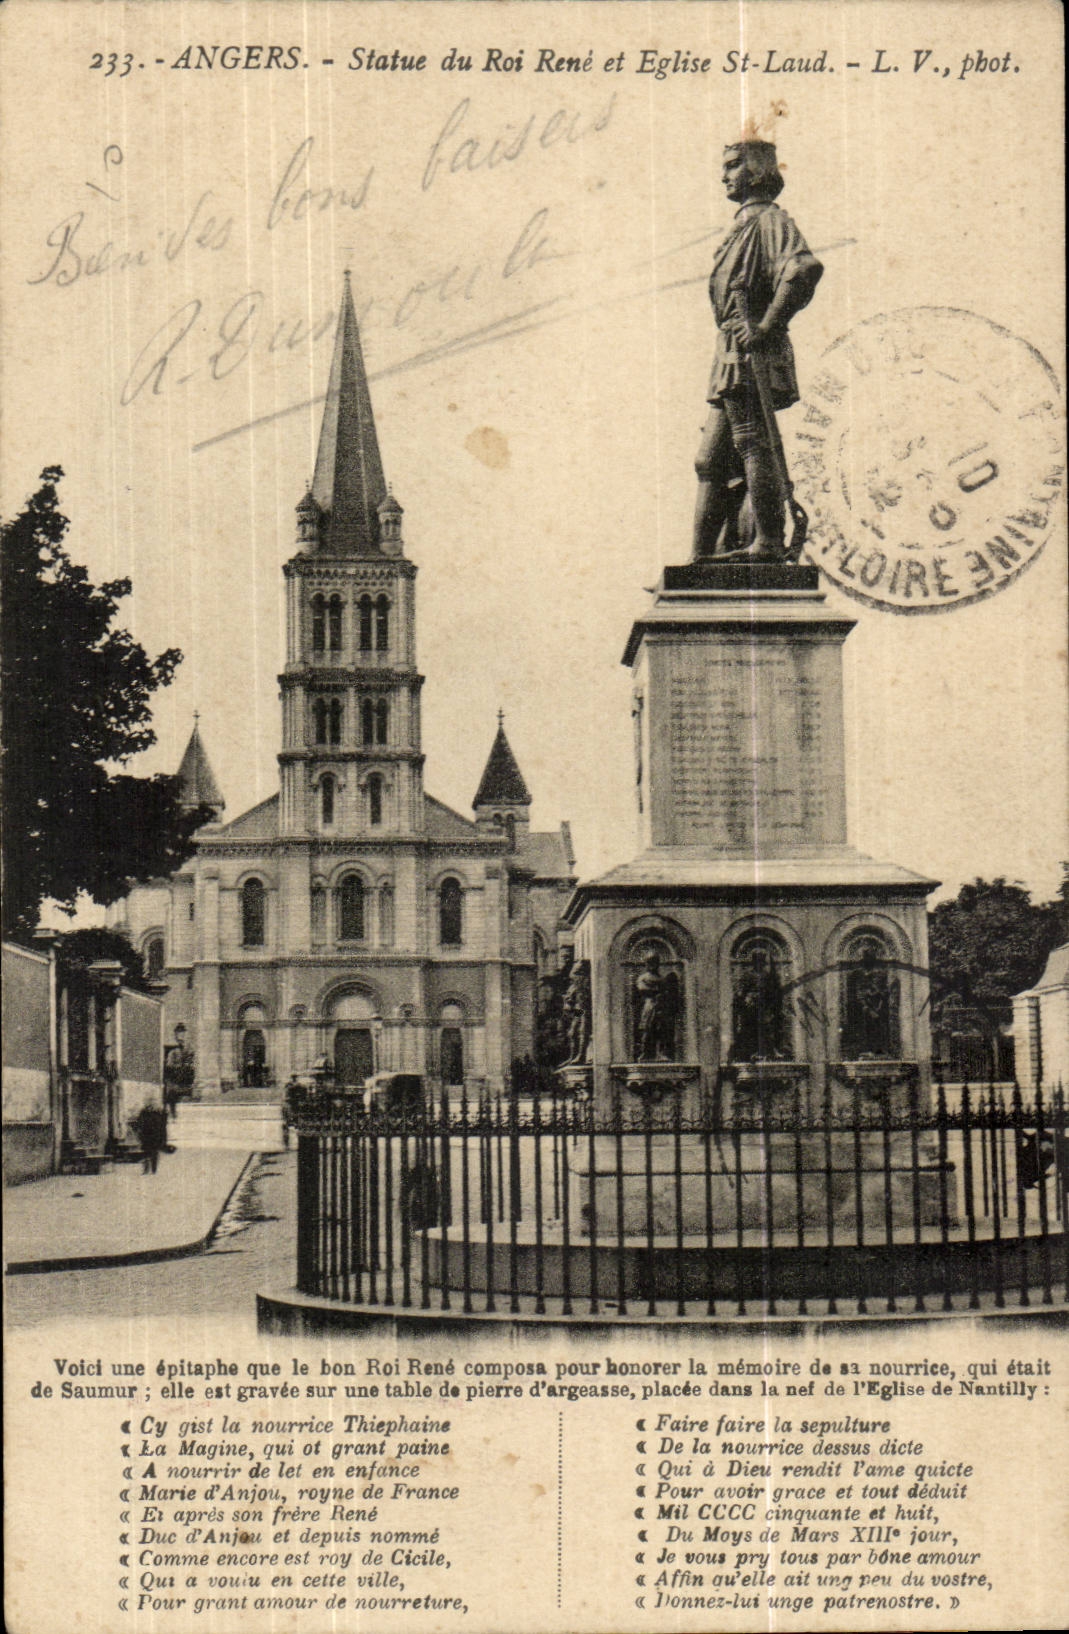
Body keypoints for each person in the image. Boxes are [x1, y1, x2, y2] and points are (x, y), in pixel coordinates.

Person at [693, 140, 823, 561]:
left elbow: (803, 268)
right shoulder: (745, 226)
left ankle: (767, 541)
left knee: (752, 442)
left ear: (757, 170)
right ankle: (698, 560)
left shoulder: (769, 221)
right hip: (731, 349)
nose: (725, 175)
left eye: (733, 165)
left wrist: (767, 325)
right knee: (710, 461)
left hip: (752, 350)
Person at [133, 1100, 168, 1174]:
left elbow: (162, 1126)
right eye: (149, 1106)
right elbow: (139, 1123)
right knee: (146, 1153)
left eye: (151, 1106)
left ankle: (153, 1169)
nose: (150, 1107)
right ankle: (146, 1169)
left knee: (154, 1153)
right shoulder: (143, 1114)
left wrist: (163, 1139)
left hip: (155, 1137)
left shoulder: (158, 1114)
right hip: (146, 1136)